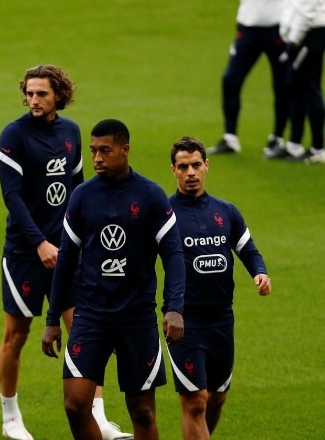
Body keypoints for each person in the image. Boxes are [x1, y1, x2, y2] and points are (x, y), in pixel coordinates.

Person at [0, 66, 131, 440]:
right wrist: (39, 242)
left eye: (41, 93)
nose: (34, 100)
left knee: (85, 331)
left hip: (67, 252)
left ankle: (98, 417)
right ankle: (10, 418)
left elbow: (77, 189)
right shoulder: (13, 135)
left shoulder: (71, 132)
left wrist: (85, 238)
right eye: (29, 93)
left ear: (59, 94)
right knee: (16, 334)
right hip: (24, 252)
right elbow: (12, 196)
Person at [42, 118, 186, 440]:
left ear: (125, 150)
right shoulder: (82, 196)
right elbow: (66, 260)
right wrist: (52, 319)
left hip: (136, 317)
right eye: (93, 151)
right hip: (91, 315)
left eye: (105, 150)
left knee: (142, 411)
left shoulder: (150, 195)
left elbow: (174, 254)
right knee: (75, 405)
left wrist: (174, 307)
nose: (97, 158)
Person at [168, 135, 272, 439]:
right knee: (195, 402)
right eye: (183, 166)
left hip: (222, 320)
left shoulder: (227, 211)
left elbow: (248, 250)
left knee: (216, 399)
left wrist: (260, 273)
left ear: (207, 165)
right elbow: (142, 262)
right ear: (173, 170)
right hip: (184, 322)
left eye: (196, 165)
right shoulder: (165, 214)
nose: (190, 172)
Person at [206, 0, 288, 156]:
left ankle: (277, 137)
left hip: (278, 28)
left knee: (281, 84)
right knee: (230, 80)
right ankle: (230, 138)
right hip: (247, 28)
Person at [275, 0, 325, 163]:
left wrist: (293, 43)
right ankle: (294, 144)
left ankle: (318, 149)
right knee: (294, 86)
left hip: (309, 35)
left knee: (309, 89)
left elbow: (306, 13)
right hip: (303, 34)